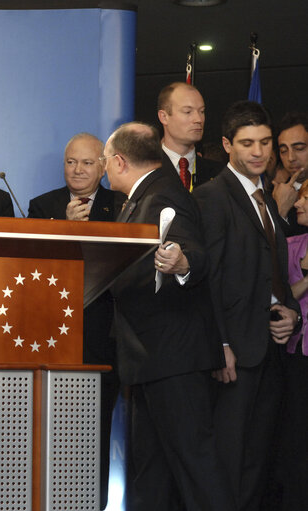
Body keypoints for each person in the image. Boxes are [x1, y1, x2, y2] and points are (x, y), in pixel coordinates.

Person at [105, 122, 234, 511]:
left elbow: (194, 252)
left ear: (118, 161)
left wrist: (182, 263)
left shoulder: (163, 195)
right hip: (151, 360)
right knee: (151, 474)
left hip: (171, 359)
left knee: (196, 468)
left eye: (103, 162)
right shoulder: (143, 194)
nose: (103, 170)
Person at [194, 100, 300, 510]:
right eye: (247, 143)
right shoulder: (211, 198)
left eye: (265, 142)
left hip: (271, 349)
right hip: (234, 353)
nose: (259, 152)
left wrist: (290, 310)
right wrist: (220, 344)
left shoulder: (268, 199)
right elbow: (209, 281)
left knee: (258, 461)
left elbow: (273, 271)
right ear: (226, 145)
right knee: (228, 460)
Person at [27, 132, 124, 509]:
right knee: (52, 432)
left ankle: (92, 503)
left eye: (87, 162)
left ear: (103, 165)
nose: (78, 170)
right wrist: (60, 229)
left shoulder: (121, 204)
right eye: (71, 162)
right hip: (52, 338)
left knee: (95, 431)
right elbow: (30, 267)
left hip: (105, 336)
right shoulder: (43, 206)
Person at [272, 182, 308, 509]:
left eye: (306, 197)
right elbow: (282, 297)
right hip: (295, 353)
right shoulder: (291, 244)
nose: (299, 201)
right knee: (295, 439)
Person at [157, 82, 221, 190]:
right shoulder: (144, 172)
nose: (198, 119)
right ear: (164, 117)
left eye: (202, 111)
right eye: (188, 112)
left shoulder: (220, 175)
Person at [271, 112, 308, 236]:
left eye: (299, 148)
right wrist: (280, 211)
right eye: (283, 151)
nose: (291, 158)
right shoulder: (272, 196)